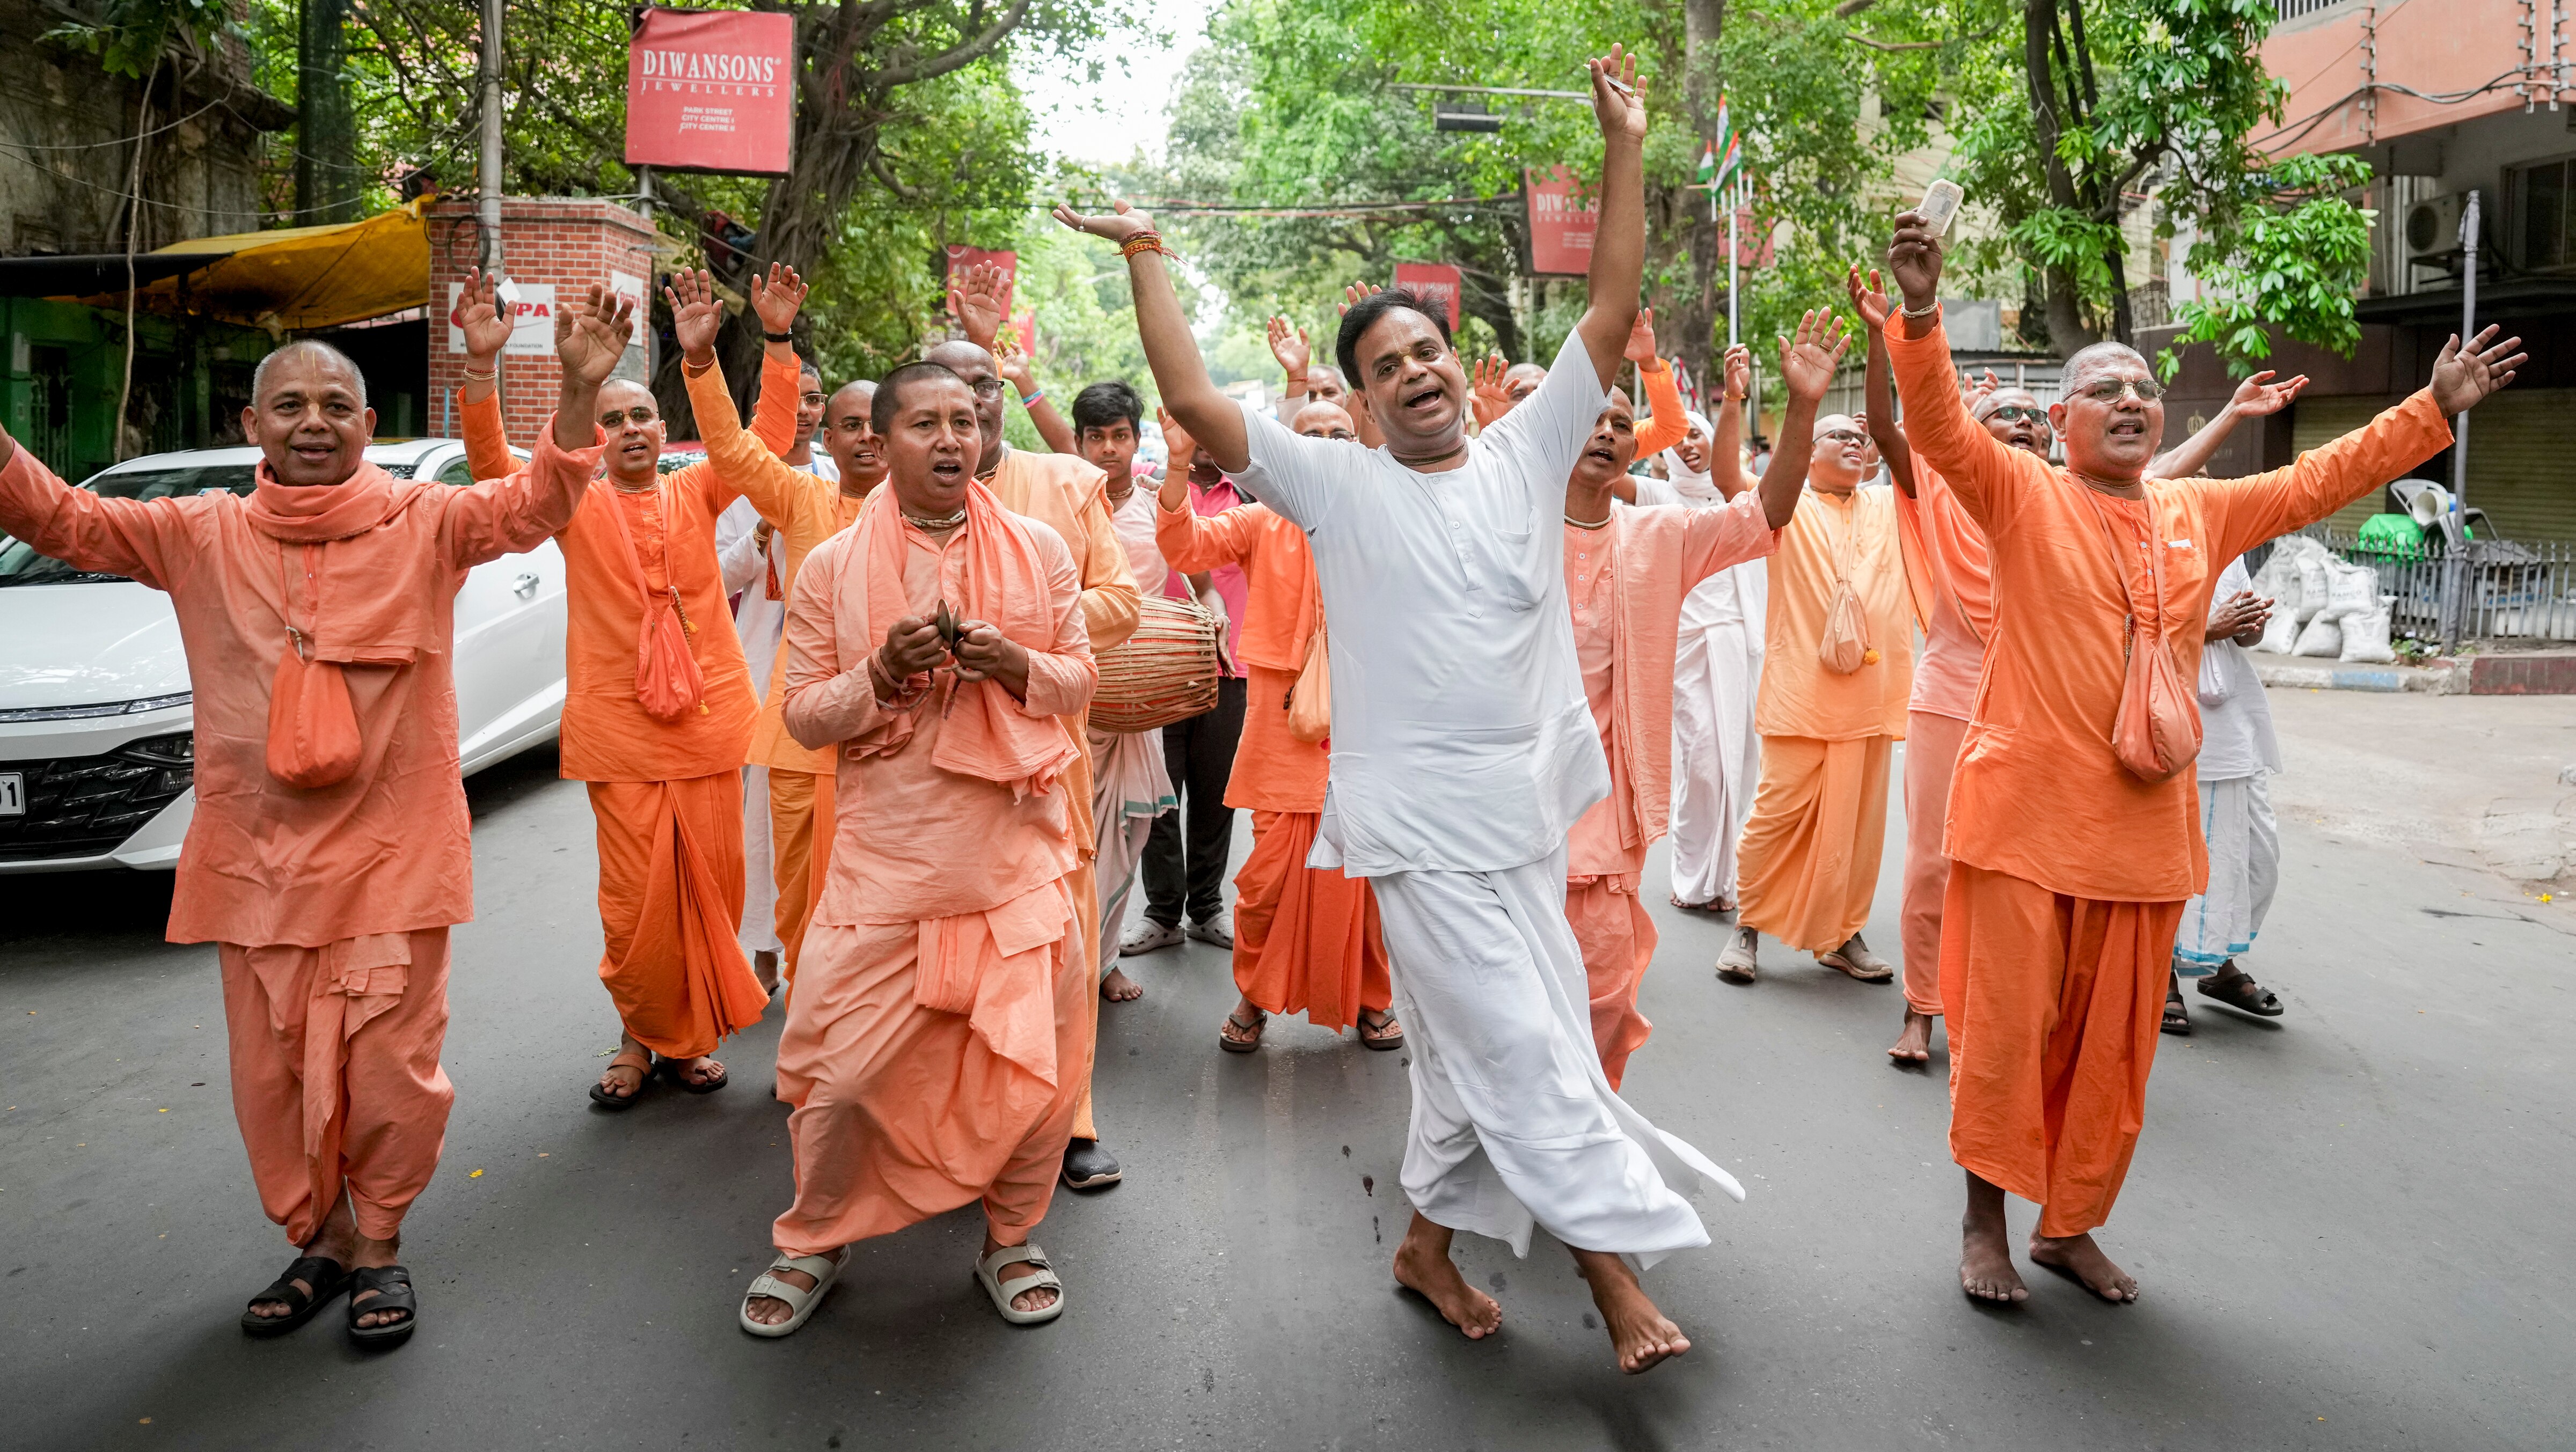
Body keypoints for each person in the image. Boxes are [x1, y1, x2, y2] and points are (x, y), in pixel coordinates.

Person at [1064, 45, 1738, 1376]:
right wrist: (1147, 252)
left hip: (1528, 813)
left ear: (1454, 362)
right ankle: (1608, 1276)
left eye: (1427, 349)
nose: (1415, 372)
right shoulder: (1333, 487)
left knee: (1471, 1052)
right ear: (1362, 396)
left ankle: (1425, 1246)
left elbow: (1606, 302)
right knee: (1525, 1043)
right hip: (1415, 833)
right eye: (1386, 364)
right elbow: (1195, 401)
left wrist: (1623, 139)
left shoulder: (1528, 446)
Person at [1882, 207, 2521, 1305]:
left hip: (2141, 839)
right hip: (2026, 827)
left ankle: (2067, 1226)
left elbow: (2317, 483)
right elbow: (1939, 428)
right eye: (2104, 389)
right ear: (2066, 418)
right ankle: (1983, 1224)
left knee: (2114, 1066)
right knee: (2001, 1046)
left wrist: (2429, 410)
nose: (2131, 400)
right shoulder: (2022, 494)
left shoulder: (2195, 511)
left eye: (2143, 387)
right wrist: (1925, 311)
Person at [0, 274, 622, 1346]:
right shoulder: (197, 534)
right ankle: (321, 1240)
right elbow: (64, 521)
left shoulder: (426, 522)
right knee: (276, 1077)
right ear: (253, 425)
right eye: (290, 406)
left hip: (393, 858)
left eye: (337, 407)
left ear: (370, 427)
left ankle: (379, 1244)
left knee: (390, 1072)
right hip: (256, 864)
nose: (315, 424)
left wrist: (574, 390)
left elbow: (535, 508)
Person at [1853, 263, 2311, 1066]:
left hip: (2034, 709)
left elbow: (2158, 487)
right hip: (1953, 691)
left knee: (2038, 880)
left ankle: (2027, 1022)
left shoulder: (2065, 499)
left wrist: (2233, 416)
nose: (2023, 424)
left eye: (2034, 416)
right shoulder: (1957, 487)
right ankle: (1925, 1009)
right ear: (1976, 433)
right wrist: (1891, 330)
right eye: (2007, 414)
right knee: (1935, 862)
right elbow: (1904, 426)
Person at [739, 360, 1098, 1336]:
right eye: (925, 424)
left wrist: (1017, 663)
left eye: (964, 422)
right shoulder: (828, 569)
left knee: (1030, 1074)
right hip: (886, 862)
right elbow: (808, 716)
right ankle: (814, 1234)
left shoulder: (1038, 547)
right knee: (841, 1076)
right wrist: (883, 675)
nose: (951, 439)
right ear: (881, 442)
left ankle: (1012, 1236)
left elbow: (1079, 681)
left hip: (1014, 856)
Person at [458, 266, 817, 1106]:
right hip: (620, 729)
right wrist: (482, 371)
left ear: (664, 429)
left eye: (638, 417)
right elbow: (489, 466)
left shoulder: (698, 488)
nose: (625, 430)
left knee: (713, 890)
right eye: (610, 419)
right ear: (594, 432)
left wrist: (760, 344)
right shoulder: (568, 501)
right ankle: (638, 1035)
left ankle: (686, 1041)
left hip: (711, 722)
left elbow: (761, 435)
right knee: (635, 906)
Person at [926, 281, 1145, 1193]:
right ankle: (960, 1130)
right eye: (944, 391)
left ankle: (1070, 1122)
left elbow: (1124, 602)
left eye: (982, 384)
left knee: (1058, 955)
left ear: (1002, 396)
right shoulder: (890, 504)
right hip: (933, 780)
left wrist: (1024, 631)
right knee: (950, 966)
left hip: (1046, 764)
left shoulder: (1064, 481)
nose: (969, 402)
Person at [1556, 324, 1815, 1087]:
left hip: (1603, 794)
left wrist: (1799, 407)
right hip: (1501, 798)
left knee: (1603, 980)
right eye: (1591, 418)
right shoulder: (1505, 526)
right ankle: (1510, 1127)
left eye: (1619, 422)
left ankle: (1584, 1117)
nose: (1607, 431)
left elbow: (1765, 511)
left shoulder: (1659, 531)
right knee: (1507, 989)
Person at [1154, 400, 1404, 1053]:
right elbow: (1183, 546)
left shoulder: (1387, 512)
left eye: (1338, 434)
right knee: (1268, 879)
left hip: (1371, 726)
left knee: (1371, 875)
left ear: (1361, 445)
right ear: (1284, 452)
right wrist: (1180, 462)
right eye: (1309, 436)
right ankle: (1255, 997)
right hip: (1282, 727)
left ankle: (1372, 998)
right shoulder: (1262, 519)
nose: (1324, 445)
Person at [1718, 328, 1912, 987]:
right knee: (1775, 817)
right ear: (1808, 449)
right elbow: (1724, 478)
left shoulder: (1889, 506)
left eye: (1859, 439)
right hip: (1802, 696)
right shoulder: (1787, 503)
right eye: (1840, 437)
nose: (1854, 446)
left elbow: (1906, 447)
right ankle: (1747, 926)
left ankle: (1843, 933)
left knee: (1857, 833)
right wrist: (1732, 401)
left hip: (1873, 698)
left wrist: (1887, 343)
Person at [715, 357, 836, 994]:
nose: (808, 412)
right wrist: (762, 532)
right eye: (797, 399)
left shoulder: (841, 478)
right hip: (764, 668)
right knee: (761, 823)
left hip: (832, 677)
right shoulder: (741, 486)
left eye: (816, 399)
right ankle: (764, 945)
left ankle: (822, 948)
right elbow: (719, 578)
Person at [1070, 378, 1180, 1007]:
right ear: (1080, 443)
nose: (1108, 449)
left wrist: (1211, 613)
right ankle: (1070, 961)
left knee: (1129, 835)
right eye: (1096, 438)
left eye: (1120, 437)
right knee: (1075, 835)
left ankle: (1105, 959)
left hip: (1141, 698)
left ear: (1136, 442)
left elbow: (1183, 577)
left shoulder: (1153, 505)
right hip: (1077, 699)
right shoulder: (1059, 504)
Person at [1121, 420, 1248, 959]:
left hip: (1234, 669)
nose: (1209, 445)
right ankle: (1162, 914)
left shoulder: (1251, 493)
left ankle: (1207, 910)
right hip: (1162, 667)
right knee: (1159, 799)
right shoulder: (1153, 488)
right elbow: (1075, 448)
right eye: (1200, 434)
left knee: (1218, 798)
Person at [1653, 346, 1770, 915]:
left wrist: (1730, 402)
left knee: (1740, 766)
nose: (1689, 446)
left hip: (1741, 642)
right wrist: (1654, 374)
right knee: (1702, 764)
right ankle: (1690, 874)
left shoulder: (1738, 497)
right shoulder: (1654, 498)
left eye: (1696, 436)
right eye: (1679, 441)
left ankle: (1727, 881)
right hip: (1688, 646)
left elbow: (1730, 470)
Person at [2165, 559, 2287, 1033]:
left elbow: (2245, 637)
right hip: (2171, 715)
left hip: (2234, 726)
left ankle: (2217, 965)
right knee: (2179, 860)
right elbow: (2125, 628)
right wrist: (2207, 629)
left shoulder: (2222, 537)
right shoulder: (2136, 518)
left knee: (2256, 858)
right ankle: (2162, 976)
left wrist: (2249, 627)